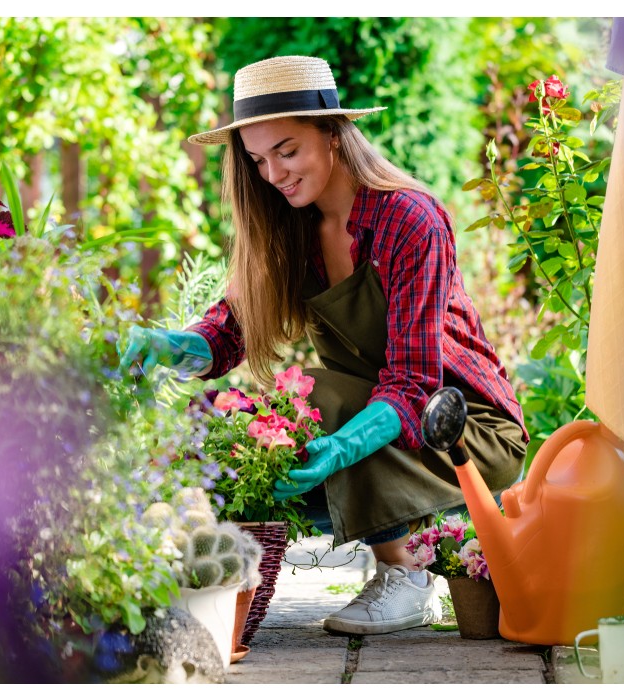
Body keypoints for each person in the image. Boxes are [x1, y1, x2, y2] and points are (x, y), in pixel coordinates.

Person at [119, 55, 528, 636]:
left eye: (287, 150)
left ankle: (406, 577)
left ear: (333, 134)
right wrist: (169, 345)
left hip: (463, 427)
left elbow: (414, 382)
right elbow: (230, 330)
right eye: (258, 160)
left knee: (319, 398)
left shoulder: (410, 220)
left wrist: (336, 448)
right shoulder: (291, 227)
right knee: (232, 430)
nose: (274, 174)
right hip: (368, 414)